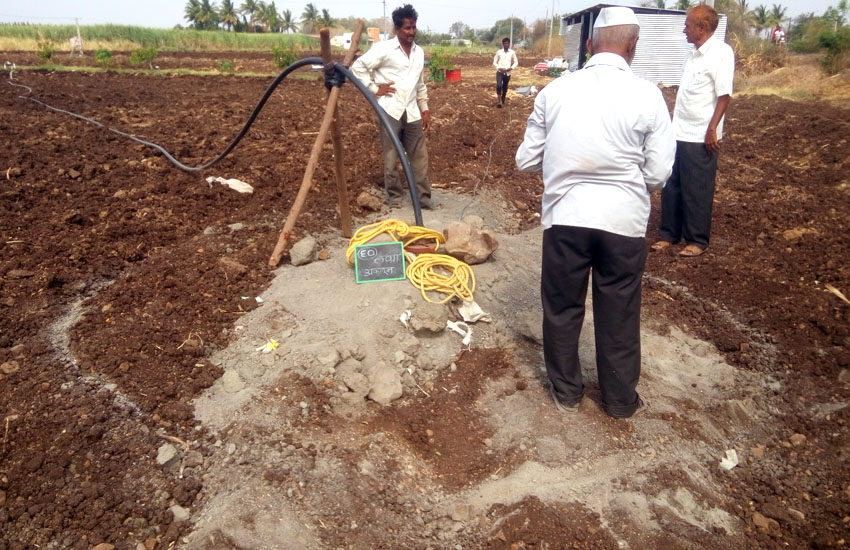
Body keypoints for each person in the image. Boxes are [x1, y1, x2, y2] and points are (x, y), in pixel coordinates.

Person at [516, 7, 675, 419]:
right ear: (633, 47)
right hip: (623, 222)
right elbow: (657, 173)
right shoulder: (649, 96)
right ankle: (620, 401)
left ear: (588, 45)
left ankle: (567, 393)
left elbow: (526, 160)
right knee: (619, 310)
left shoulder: (555, 92)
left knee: (563, 308)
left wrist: (566, 157)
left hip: (566, 218)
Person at [652, 4, 734, 257]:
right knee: (672, 184)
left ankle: (697, 240)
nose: (684, 29)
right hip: (679, 131)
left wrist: (712, 129)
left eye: (687, 24)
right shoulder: (693, 54)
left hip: (701, 134)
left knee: (697, 187)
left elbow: (724, 96)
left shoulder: (720, 53)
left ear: (701, 27)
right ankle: (669, 234)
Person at [351, 4, 433, 209]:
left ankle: (424, 200)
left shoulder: (419, 53)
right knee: (391, 156)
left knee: (419, 157)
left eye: (413, 27)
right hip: (390, 109)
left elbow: (420, 84)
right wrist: (374, 88)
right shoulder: (384, 49)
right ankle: (395, 197)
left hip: (412, 111)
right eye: (407, 28)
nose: (411, 32)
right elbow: (357, 67)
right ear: (398, 29)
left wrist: (425, 108)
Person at [493, 37, 518, 108]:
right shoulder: (499, 52)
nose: (506, 44)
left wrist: (511, 68)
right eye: (505, 43)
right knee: (499, 85)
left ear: (509, 44)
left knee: (505, 87)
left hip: (508, 73)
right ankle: (499, 101)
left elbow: (516, 62)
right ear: (503, 44)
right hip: (500, 72)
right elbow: (494, 62)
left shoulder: (512, 52)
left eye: (507, 43)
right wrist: (499, 68)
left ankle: (503, 97)